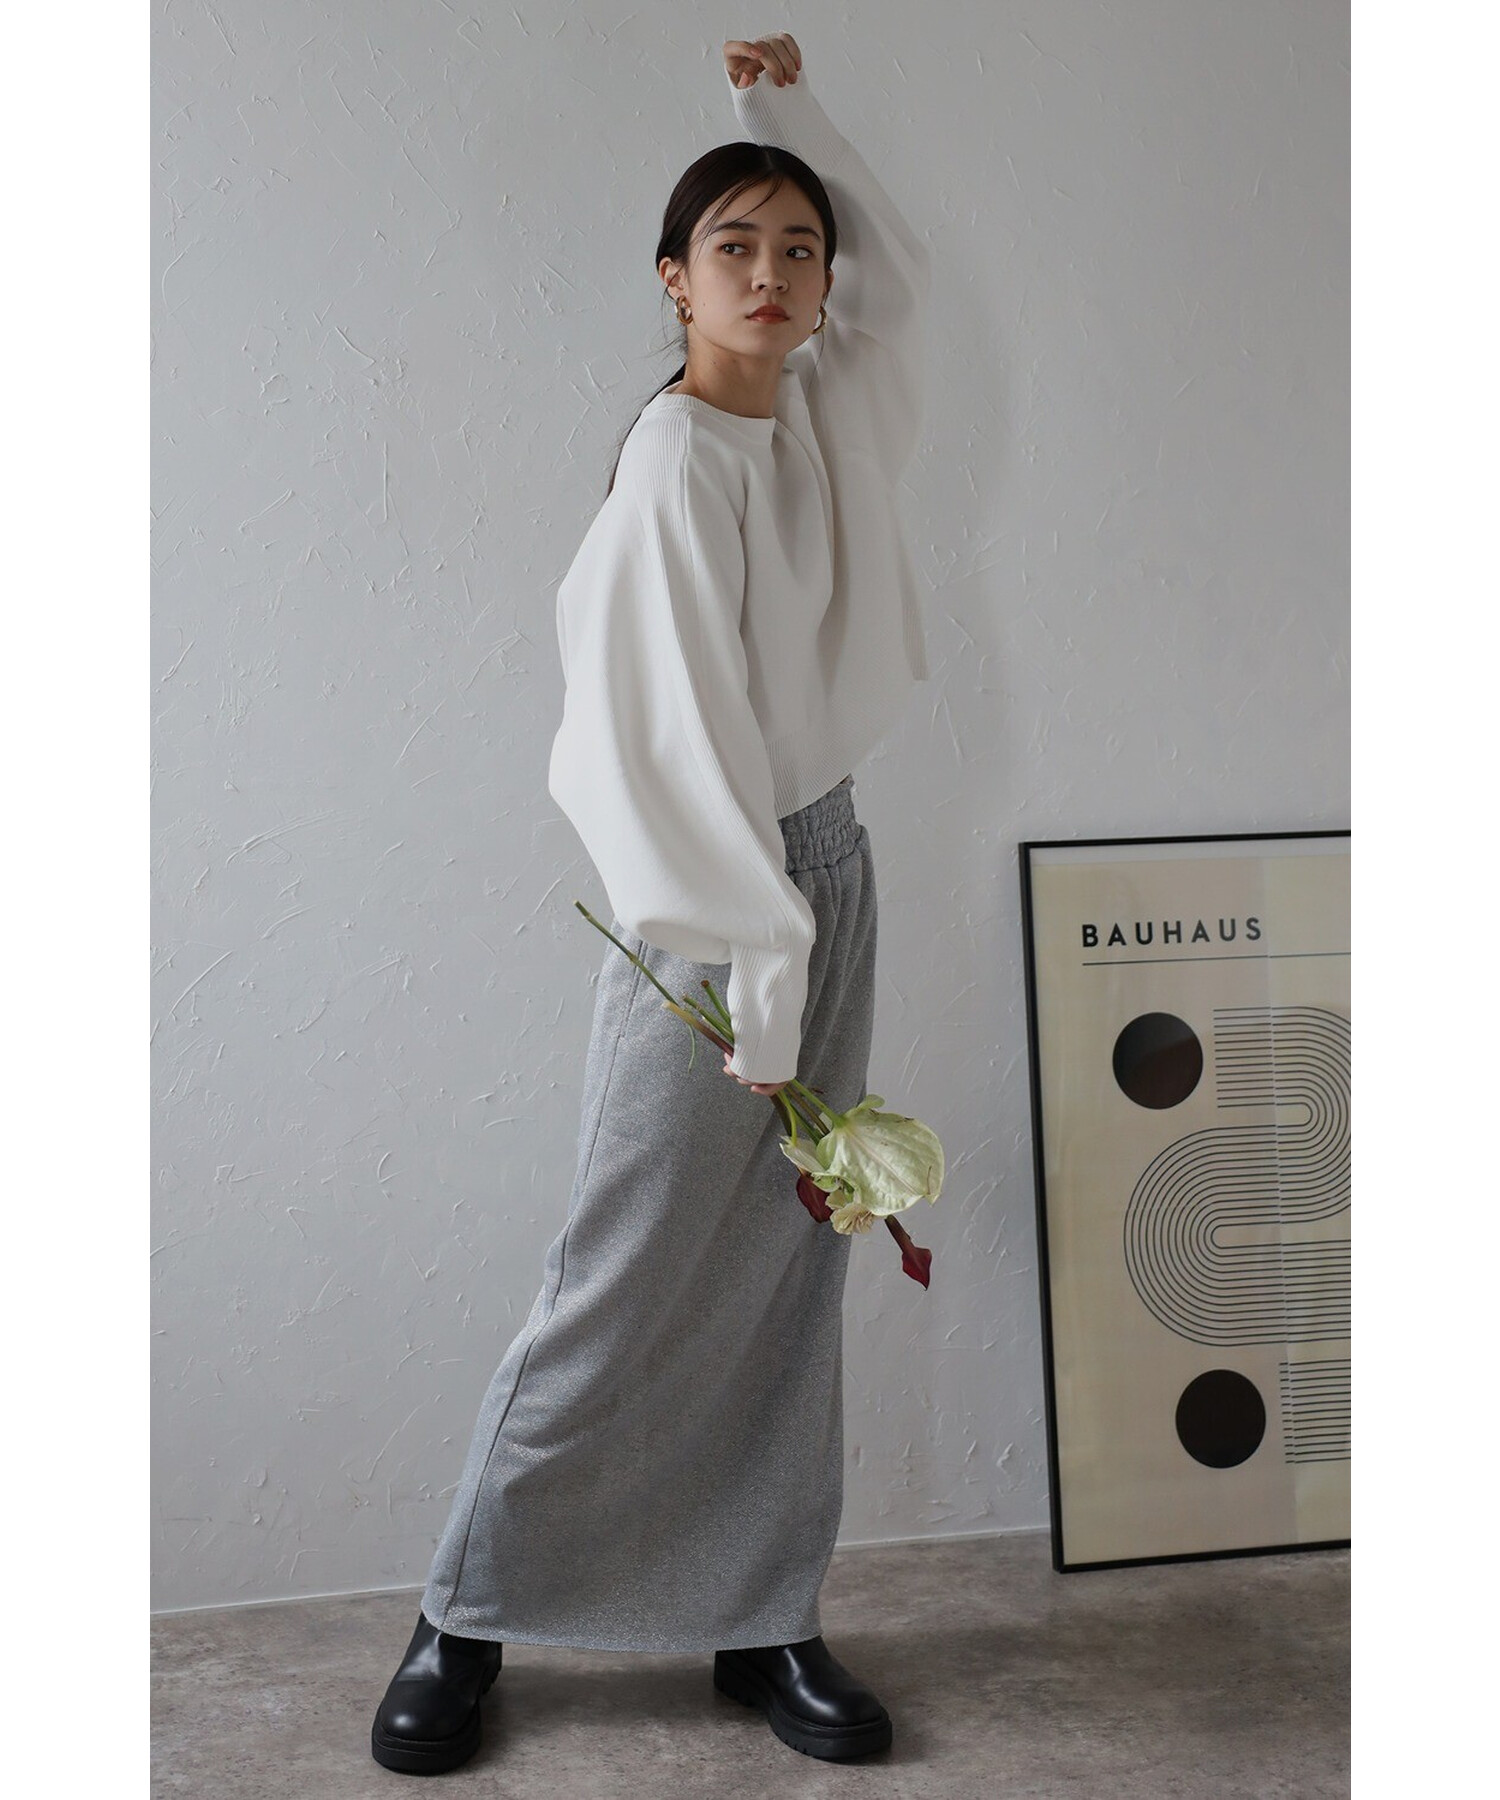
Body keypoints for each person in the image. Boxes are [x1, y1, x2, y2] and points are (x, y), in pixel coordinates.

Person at [371, 29, 931, 1774]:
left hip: (824, 863)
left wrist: (782, 116)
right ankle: (463, 1613)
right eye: (733, 246)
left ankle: (761, 1617)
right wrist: (759, 982)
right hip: (716, 914)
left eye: (800, 249)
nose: (773, 274)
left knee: (786, 1276)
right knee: (618, 1270)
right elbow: (662, 767)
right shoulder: (677, 466)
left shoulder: (817, 413)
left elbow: (905, 283)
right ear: (671, 278)